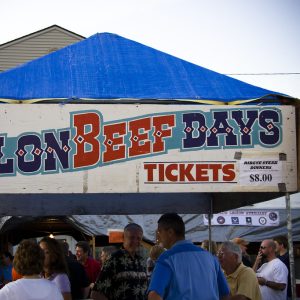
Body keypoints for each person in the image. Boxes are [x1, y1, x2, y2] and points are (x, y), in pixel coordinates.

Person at [148, 213, 230, 300]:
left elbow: (154, 295)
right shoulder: (210, 257)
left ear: (170, 232)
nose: (157, 237)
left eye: (159, 232)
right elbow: (225, 294)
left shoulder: (167, 258)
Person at [91, 223, 148, 300]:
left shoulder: (141, 261)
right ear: (123, 238)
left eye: (138, 238)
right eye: (131, 237)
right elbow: (96, 293)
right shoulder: (114, 259)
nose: (135, 241)